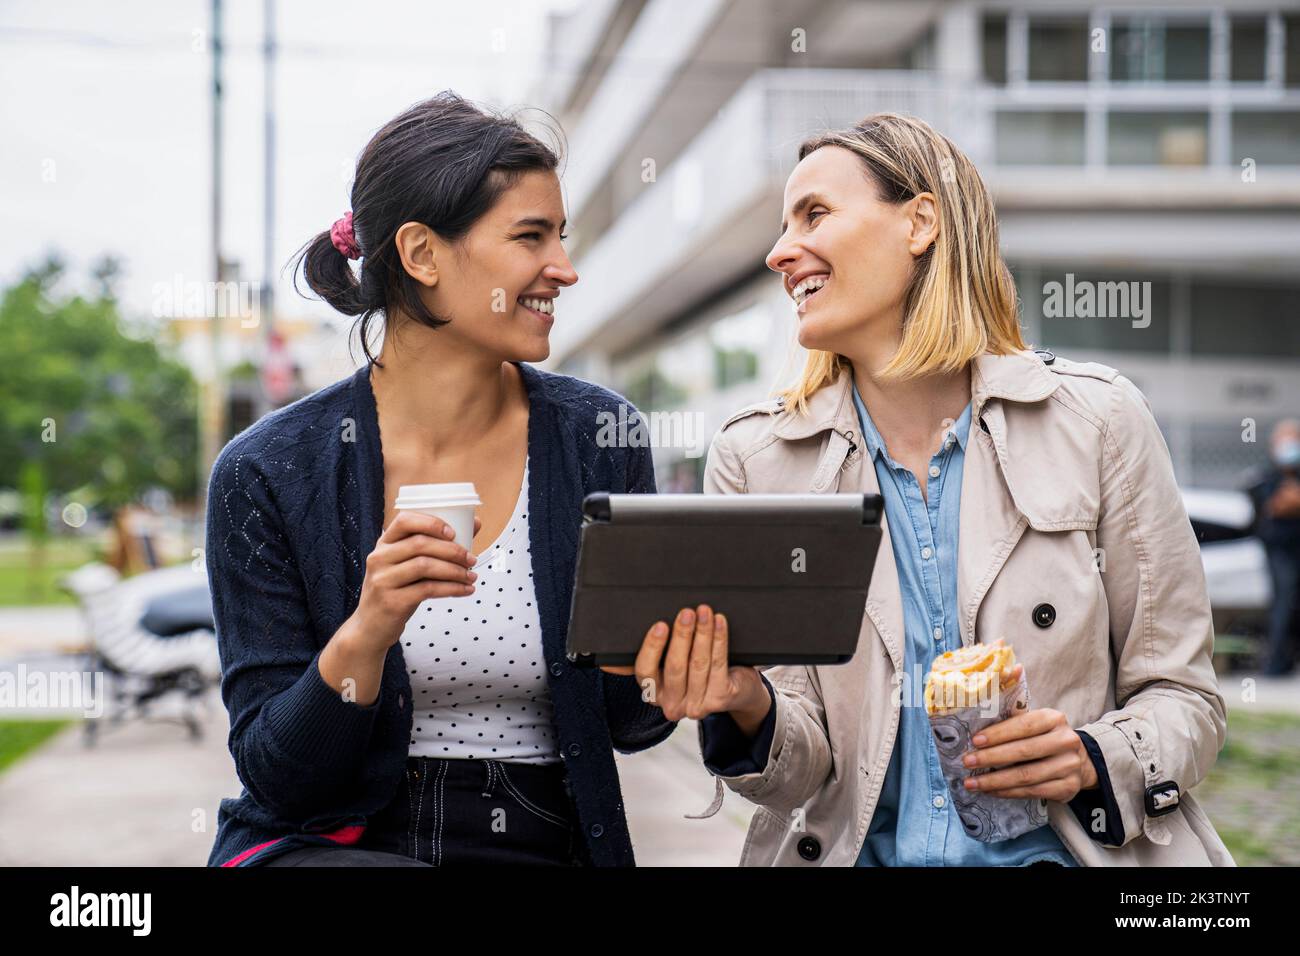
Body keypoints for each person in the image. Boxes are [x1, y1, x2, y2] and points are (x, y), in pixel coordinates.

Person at [614, 112, 1234, 866]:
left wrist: (1094, 758)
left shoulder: (1099, 422)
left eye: (815, 214)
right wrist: (744, 700)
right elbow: (800, 770)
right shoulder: (755, 458)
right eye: (784, 226)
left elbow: (1185, 698)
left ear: (921, 223)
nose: (781, 252)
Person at [204, 92, 673, 868]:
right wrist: (367, 632)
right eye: (531, 237)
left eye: (561, 237)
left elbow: (632, 723)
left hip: (540, 832)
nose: (564, 268)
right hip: (337, 842)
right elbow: (279, 776)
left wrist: (656, 657)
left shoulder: (599, 437)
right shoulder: (267, 471)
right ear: (422, 254)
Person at [1245, 419, 1300, 675]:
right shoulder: (1266, 477)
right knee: (1283, 604)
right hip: (1280, 552)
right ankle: (1276, 665)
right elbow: (1273, 507)